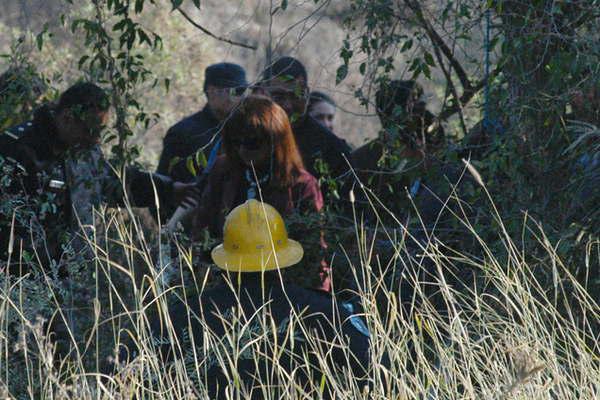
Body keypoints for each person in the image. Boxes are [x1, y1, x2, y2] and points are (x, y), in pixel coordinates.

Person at [133, 200, 372, 399]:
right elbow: (375, 369)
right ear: (285, 260)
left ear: (225, 263)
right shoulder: (324, 311)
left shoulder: (185, 314)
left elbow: (126, 374)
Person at [0, 82, 197, 273]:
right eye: (90, 130)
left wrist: (167, 190)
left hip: (66, 275)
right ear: (68, 118)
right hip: (18, 277)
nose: (96, 139)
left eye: (100, 131)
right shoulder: (16, 150)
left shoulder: (83, 150)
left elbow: (111, 183)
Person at [193, 95, 330, 291]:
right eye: (235, 142)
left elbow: (315, 251)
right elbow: (202, 229)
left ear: (275, 140)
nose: (242, 150)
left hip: (283, 288)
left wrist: (317, 303)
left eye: (252, 142)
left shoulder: (301, 184)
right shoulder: (223, 171)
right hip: (226, 284)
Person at [260, 57, 352, 181]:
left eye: (296, 96)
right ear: (264, 95)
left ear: (307, 95)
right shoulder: (250, 138)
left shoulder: (332, 148)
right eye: (278, 96)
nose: (288, 105)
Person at [156, 62, 248, 183]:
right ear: (212, 91)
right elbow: (162, 182)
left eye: (243, 91)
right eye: (236, 91)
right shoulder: (182, 133)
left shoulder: (247, 131)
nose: (241, 98)